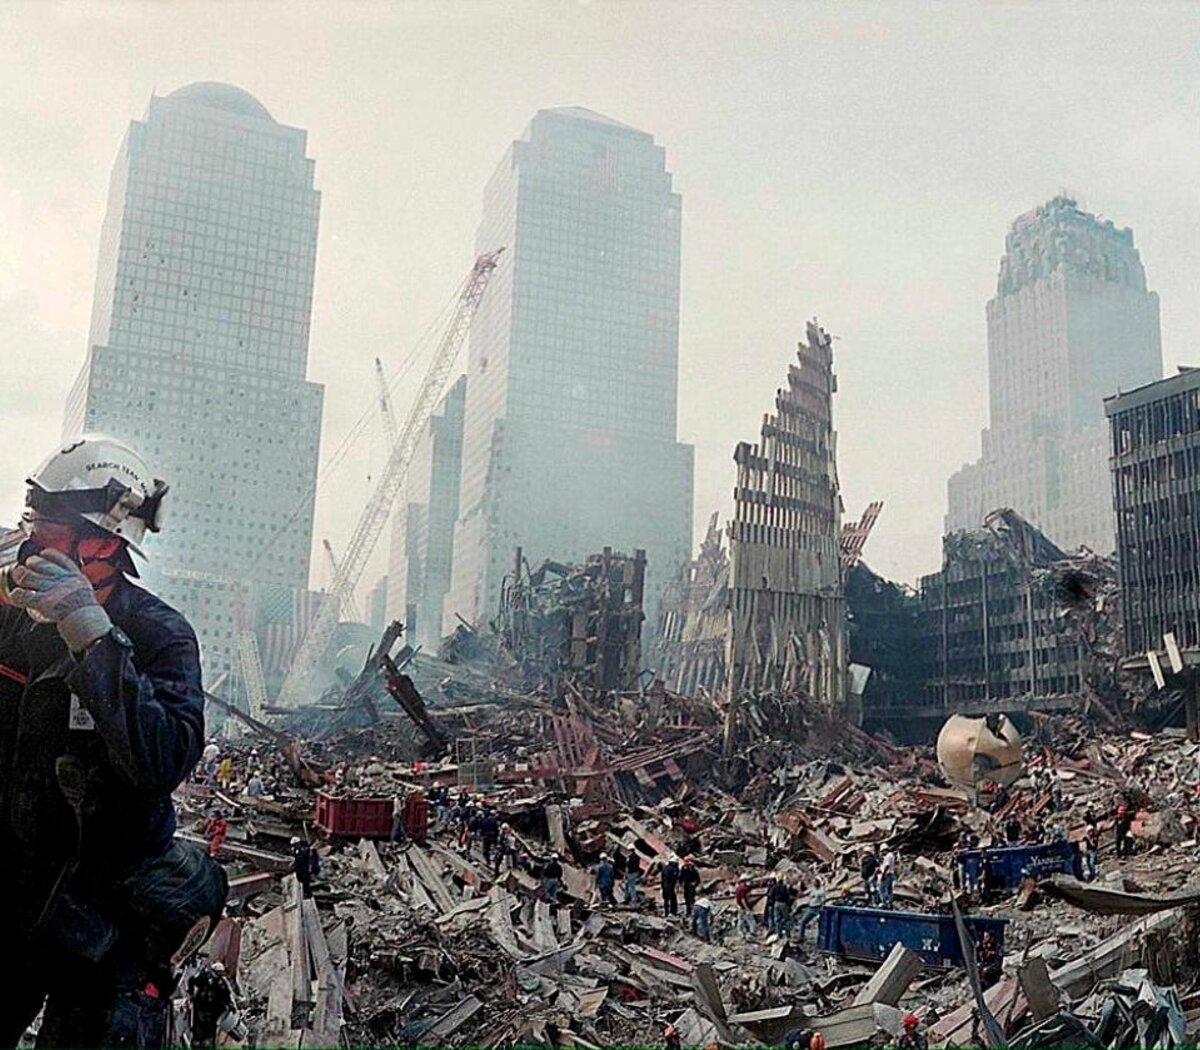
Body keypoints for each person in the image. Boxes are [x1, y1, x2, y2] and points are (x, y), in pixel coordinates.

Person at [0, 435, 227, 1048]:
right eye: (31, 523)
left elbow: (161, 760)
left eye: (46, 531)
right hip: (18, 893)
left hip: (107, 916)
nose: (29, 543)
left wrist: (93, 641)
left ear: (101, 543)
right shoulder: (13, 614)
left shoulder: (161, 637)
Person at [188, 960, 235, 1047]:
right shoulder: (215, 981)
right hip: (206, 1010)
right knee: (205, 1033)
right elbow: (226, 995)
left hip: (205, 1010)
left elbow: (191, 980)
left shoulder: (205, 977)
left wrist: (191, 994)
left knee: (202, 1033)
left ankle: (200, 1044)